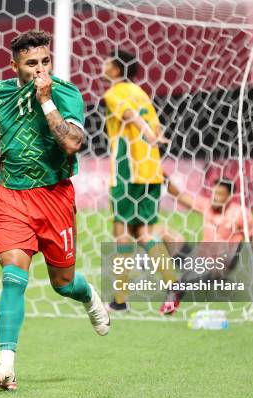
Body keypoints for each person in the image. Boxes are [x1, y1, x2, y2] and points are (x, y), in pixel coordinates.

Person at [0, 30, 110, 391]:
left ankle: (89, 296)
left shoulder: (66, 94)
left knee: (63, 284)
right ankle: (6, 367)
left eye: (45, 61)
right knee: (13, 275)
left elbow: (71, 144)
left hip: (54, 198)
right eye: (31, 63)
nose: (40, 69)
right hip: (12, 198)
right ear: (14, 64)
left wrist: (46, 102)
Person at [102, 49, 174, 312]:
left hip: (127, 170)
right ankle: (173, 282)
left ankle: (119, 300)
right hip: (150, 170)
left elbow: (130, 116)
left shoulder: (114, 94)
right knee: (143, 233)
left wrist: (145, 132)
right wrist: (153, 136)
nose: (104, 65)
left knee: (121, 235)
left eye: (108, 62)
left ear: (117, 69)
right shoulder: (142, 93)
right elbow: (157, 126)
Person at [161, 178, 253, 313]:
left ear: (229, 197)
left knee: (190, 276)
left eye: (219, 194)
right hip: (199, 259)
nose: (214, 197)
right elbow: (179, 196)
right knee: (165, 233)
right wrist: (162, 176)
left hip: (221, 264)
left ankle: (175, 297)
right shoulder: (206, 205)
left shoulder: (241, 214)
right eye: (213, 193)